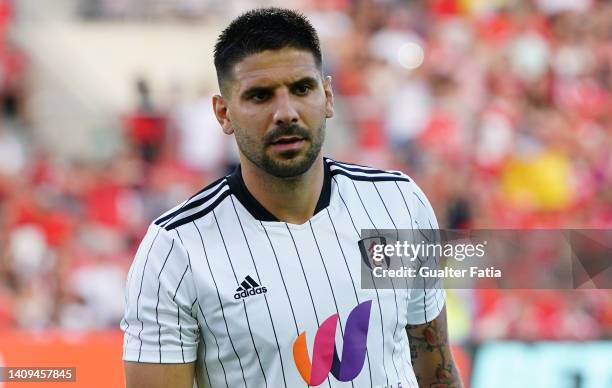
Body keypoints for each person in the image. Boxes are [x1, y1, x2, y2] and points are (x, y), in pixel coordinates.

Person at [121, 7, 463, 388]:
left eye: (302, 88)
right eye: (260, 96)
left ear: (328, 96)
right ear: (223, 113)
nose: (285, 113)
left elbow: (436, 370)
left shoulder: (398, 204)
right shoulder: (176, 249)